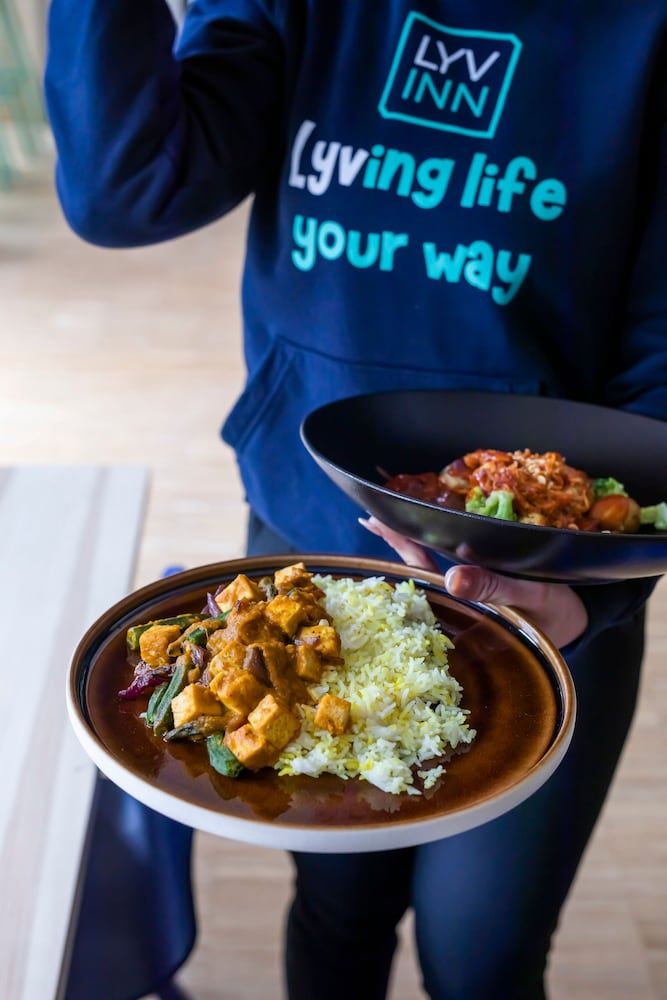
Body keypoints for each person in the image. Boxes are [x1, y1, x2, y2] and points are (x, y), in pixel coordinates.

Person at [45, 2, 666, 997]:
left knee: (482, 956)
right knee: (338, 916)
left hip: (545, 586)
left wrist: (597, 587)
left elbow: (662, 352)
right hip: (307, 534)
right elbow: (126, 187)